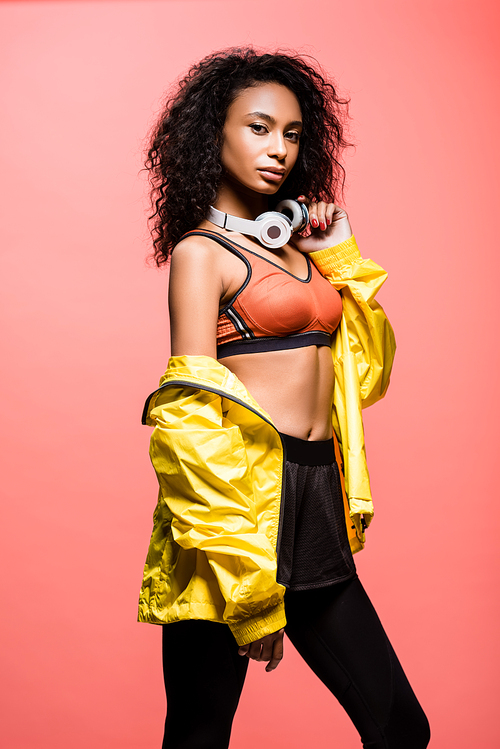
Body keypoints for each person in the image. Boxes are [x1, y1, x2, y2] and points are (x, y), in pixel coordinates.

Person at [138, 48, 430, 749]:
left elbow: (365, 379)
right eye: (259, 128)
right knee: (199, 733)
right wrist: (248, 585)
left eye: (293, 134)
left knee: (401, 729)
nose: (278, 149)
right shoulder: (200, 255)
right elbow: (189, 421)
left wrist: (343, 256)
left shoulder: (304, 252)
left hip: (315, 494)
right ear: (216, 136)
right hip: (234, 515)